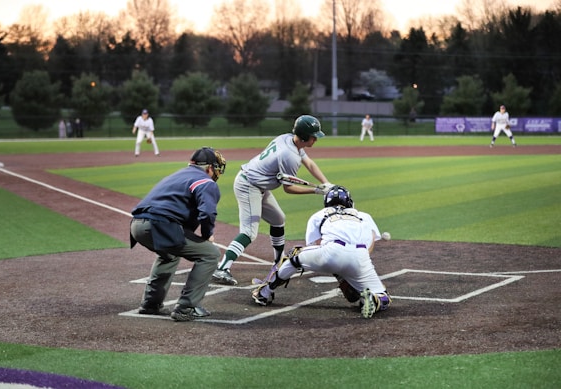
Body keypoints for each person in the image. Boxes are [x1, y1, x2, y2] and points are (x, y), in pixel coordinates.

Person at [212, 115, 334, 286]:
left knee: (278, 219)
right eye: (314, 136)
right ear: (305, 136)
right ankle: (222, 268)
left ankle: (279, 261)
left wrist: (326, 183)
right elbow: (288, 188)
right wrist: (315, 190)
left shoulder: (288, 139)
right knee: (249, 232)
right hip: (248, 185)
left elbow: (309, 163)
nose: (316, 139)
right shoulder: (289, 156)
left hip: (260, 185)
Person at [251, 185, 391, 319]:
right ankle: (374, 298)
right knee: (384, 296)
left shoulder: (320, 214)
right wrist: (350, 274)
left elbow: (312, 245)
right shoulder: (364, 216)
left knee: (296, 254)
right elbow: (370, 244)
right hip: (361, 256)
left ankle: (265, 292)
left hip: (331, 253)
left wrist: (338, 271)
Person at [129, 147, 227, 321]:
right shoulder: (206, 182)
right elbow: (207, 213)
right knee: (210, 254)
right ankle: (186, 307)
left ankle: (150, 305)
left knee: (169, 255)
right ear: (209, 168)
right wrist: (207, 234)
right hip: (160, 225)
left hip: (136, 226)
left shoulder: (178, 175)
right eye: (216, 168)